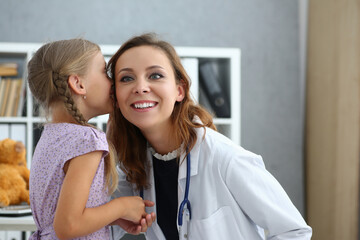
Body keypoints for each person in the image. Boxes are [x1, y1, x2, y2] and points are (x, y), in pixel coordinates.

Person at [107, 33, 312, 240]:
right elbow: (94, 230)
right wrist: (104, 148)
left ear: (180, 90)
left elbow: (295, 232)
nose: (140, 87)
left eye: (155, 75)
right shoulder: (132, 168)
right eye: (126, 78)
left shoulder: (225, 158)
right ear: (115, 98)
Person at [27, 38, 155, 240]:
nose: (113, 81)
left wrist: (112, 218)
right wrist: (121, 207)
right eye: (104, 72)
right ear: (78, 84)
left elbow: (60, 216)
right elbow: (68, 225)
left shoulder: (51, 135)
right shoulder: (87, 139)